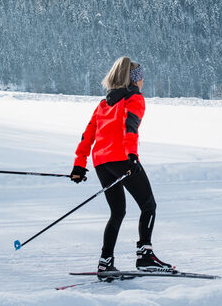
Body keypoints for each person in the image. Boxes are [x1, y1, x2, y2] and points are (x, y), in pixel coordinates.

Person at [70, 56, 174, 279]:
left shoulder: (103, 103)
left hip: (101, 163)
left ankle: (105, 262)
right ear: (134, 80)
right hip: (122, 158)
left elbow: (88, 135)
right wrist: (132, 156)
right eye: (142, 79)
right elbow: (131, 128)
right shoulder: (134, 99)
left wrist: (79, 165)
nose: (143, 82)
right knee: (149, 205)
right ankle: (145, 257)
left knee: (117, 212)